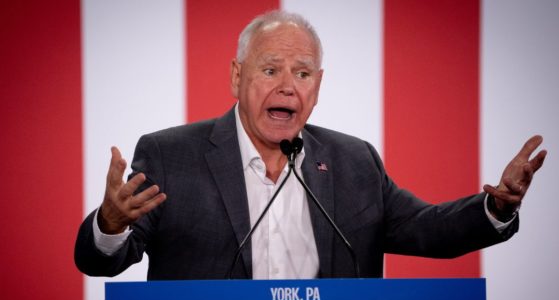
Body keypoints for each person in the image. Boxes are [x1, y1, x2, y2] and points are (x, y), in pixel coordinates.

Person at [75, 10, 546, 280]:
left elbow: (426, 229)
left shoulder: (354, 160)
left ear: (317, 87)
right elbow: (102, 261)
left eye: (301, 74)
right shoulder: (170, 156)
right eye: (270, 69)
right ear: (237, 76)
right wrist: (109, 225)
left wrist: (495, 209)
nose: (287, 86)